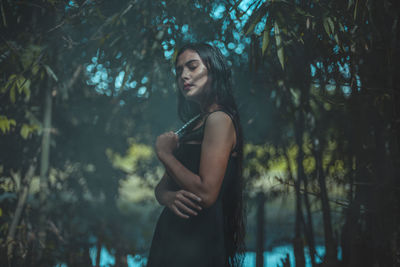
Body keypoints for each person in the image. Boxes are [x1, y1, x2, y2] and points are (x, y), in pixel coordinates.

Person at [147, 43, 245, 267]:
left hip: (197, 244)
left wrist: (164, 154)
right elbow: (162, 188)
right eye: (179, 71)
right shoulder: (194, 124)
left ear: (214, 69)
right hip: (174, 239)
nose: (184, 76)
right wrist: (167, 197)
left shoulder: (219, 119)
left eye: (192, 66)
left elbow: (207, 193)